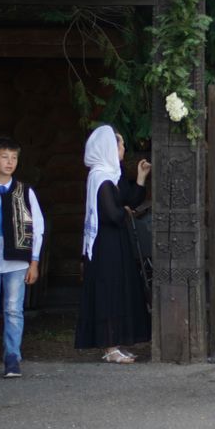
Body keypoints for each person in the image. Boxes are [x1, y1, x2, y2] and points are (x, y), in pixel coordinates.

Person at [74, 125, 151, 364]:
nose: (123, 148)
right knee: (109, 291)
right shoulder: (100, 177)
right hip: (105, 245)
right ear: (108, 147)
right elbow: (112, 215)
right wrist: (125, 211)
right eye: (119, 144)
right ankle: (109, 347)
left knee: (120, 290)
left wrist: (140, 178)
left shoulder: (112, 174)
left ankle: (116, 342)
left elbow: (130, 201)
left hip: (117, 243)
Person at [0, 137, 44, 379]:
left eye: (14, 158)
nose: (10, 162)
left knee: (14, 310)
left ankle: (12, 357)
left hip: (17, 258)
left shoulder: (25, 191)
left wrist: (34, 261)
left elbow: (38, 227)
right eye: (4, 156)